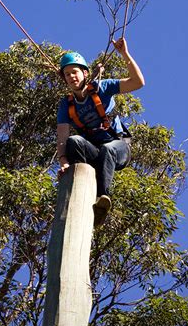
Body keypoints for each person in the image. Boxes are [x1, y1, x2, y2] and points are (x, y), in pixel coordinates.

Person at [56, 37, 145, 226]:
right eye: (67, 74)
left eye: (74, 72)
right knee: (74, 141)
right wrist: (64, 162)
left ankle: (102, 199)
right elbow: (63, 137)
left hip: (118, 147)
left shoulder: (103, 88)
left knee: (108, 149)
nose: (71, 77)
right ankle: (79, 185)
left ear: (85, 73)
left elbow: (138, 83)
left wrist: (124, 54)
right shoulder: (67, 105)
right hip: (94, 152)